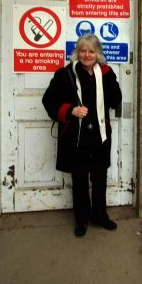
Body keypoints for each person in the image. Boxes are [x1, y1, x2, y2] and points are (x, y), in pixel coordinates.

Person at [42, 34, 122, 237]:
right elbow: (49, 101)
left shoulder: (106, 73)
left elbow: (115, 99)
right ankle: (82, 219)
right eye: (83, 50)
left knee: (99, 176)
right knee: (79, 179)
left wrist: (112, 83)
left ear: (98, 54)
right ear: (77, 53)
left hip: (100, 135)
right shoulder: (65, 74)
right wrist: (70, 110)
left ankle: (100, 216)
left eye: (91, 51)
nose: (87, 55)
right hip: (76, 137)